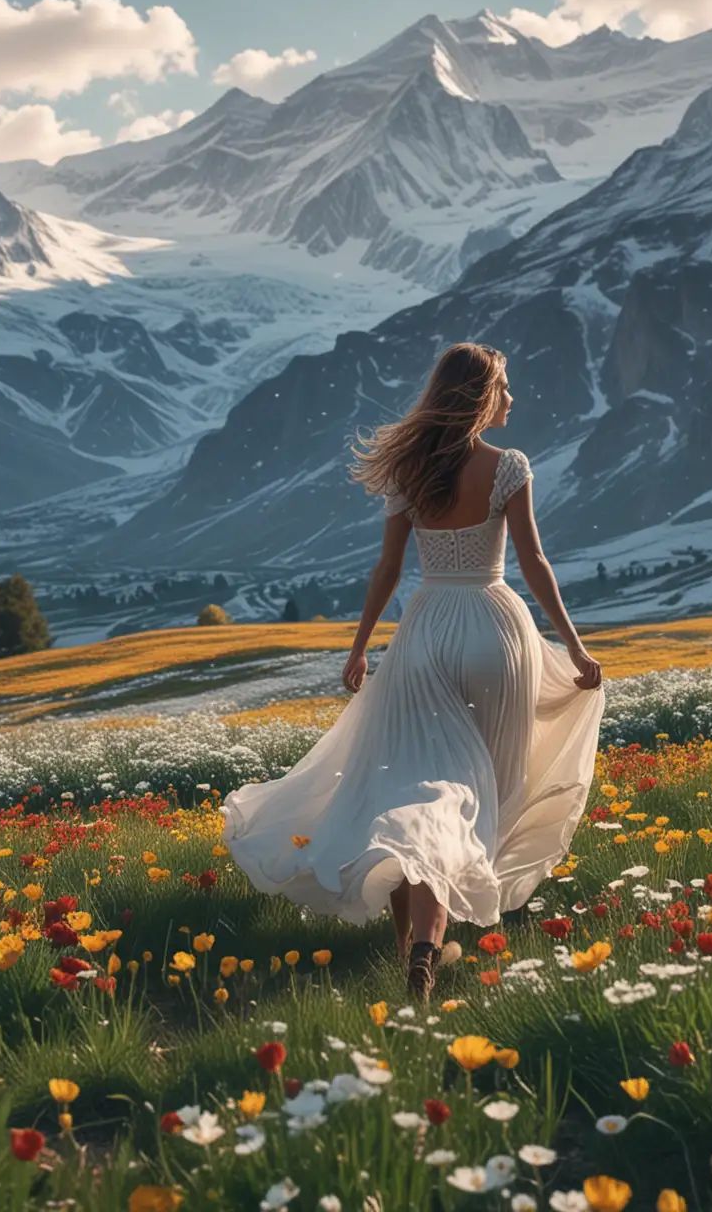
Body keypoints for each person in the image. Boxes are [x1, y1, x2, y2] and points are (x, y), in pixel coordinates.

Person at [221, 342, 605, 999]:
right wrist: (572, 647)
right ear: (482, 396)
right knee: (467, 796)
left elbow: (389, 570)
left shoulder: (409, 472)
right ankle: (424, 950)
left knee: (412, 790)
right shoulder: (508, 467)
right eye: (505, 388)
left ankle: (411, 952)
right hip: (495, 630)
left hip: (426, 635)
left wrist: (358, 647)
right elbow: (535, 563)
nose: (512, 400)